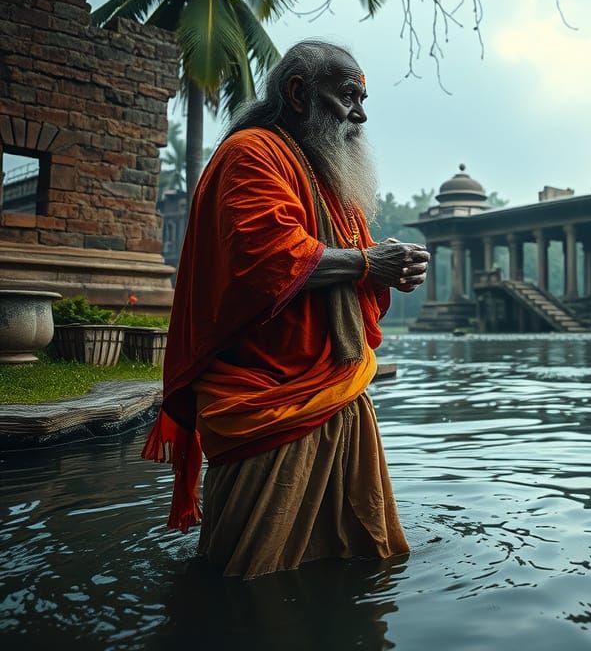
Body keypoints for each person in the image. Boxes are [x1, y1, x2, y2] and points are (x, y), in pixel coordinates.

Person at [142, 40, 429, 579]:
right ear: (298, 94)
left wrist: (392, 266)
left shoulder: (325, 175)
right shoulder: (252, 153)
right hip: (266, 400)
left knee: (362, 559)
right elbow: (270, 259)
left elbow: (351, 268)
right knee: (250, 579)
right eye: (348, 96)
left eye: (363, 99)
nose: (361, 114)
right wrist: (371, 263)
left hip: (336, 391)